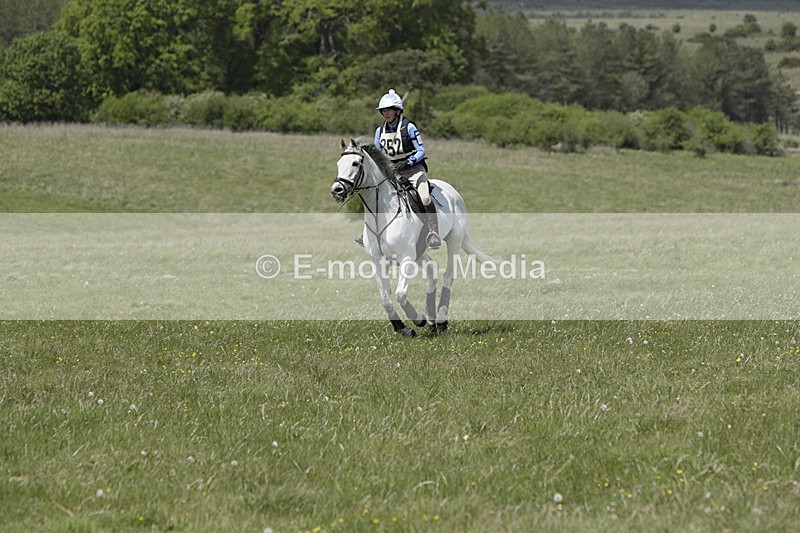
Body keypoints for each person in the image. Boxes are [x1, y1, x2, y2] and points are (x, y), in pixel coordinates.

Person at [356, 89, 440, 249]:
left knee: (425, 198)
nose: (386, 113)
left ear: (397, 110)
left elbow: (422, 151)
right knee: (376, 198)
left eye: (389, 110)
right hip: (392, 172)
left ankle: (433, 231)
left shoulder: (409, 127)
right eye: (383, 111)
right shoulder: (380, 131)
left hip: (414, 170)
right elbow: (377, 153)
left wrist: (408, 162)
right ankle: (368, 234)